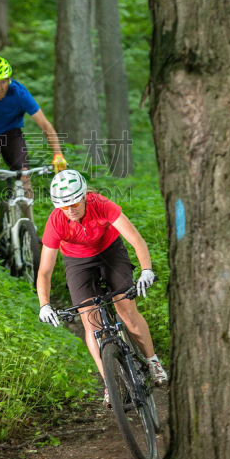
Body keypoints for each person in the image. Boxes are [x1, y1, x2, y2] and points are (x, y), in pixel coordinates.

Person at [36, 168, 168, 405]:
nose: (70, 210)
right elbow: (44, 271)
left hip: (110, 251)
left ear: (84, 195)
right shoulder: (56, 221)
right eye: (64, 206)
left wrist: (146, 269)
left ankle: (152, 361)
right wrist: (44, 305)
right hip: (78, 262)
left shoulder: (101, 204)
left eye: (75, 203)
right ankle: (109, 382)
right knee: (91, 322)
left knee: (126, 311)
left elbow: (136, 239)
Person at [0, 55, 67, 256]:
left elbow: (46, 125)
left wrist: (58, 154)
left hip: (12, 134)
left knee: (24, 176)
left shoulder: (19, 92)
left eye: (4, 81)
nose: (0, 86)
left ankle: (31, 229)